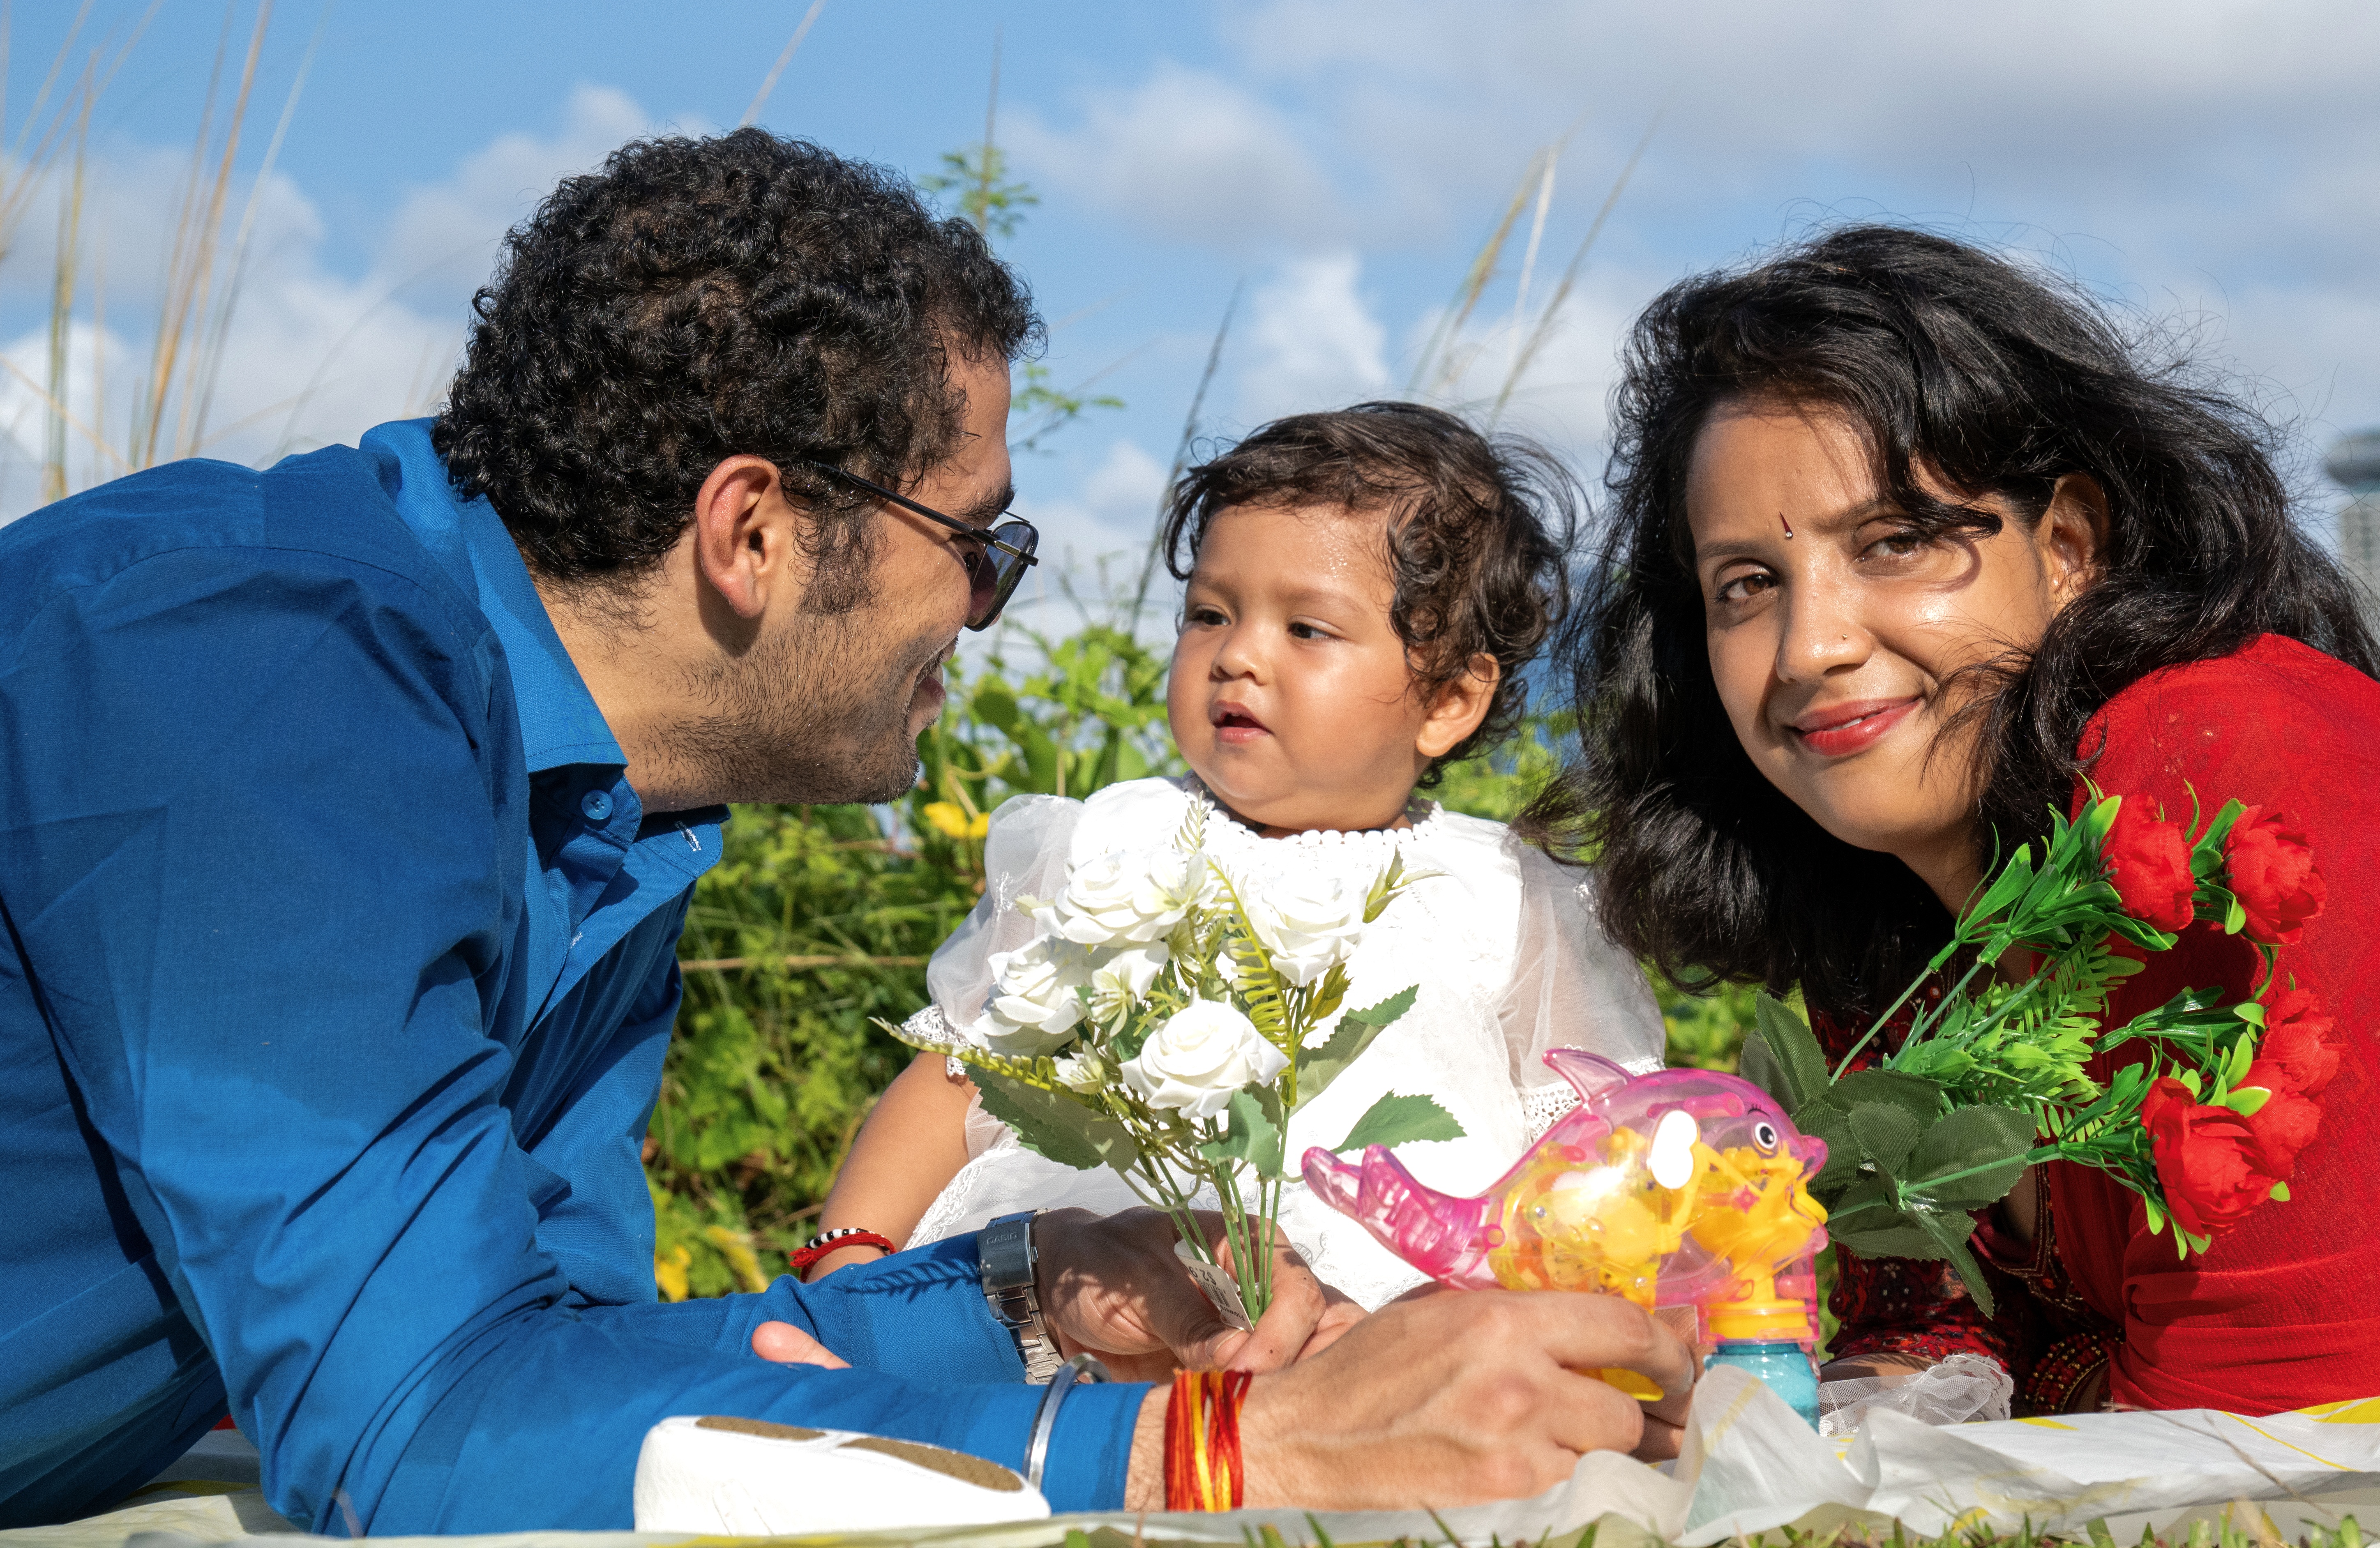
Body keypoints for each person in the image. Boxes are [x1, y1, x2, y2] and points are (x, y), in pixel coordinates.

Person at [0, 131, 1694, 1532]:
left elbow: (561, 1358)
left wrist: (1024, 1293)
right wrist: (1221, 1452)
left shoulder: (601, 810)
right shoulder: (256, 671)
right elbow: (429, 1427)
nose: (989, 605)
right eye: (977, 540)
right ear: (752, 530)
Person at [1529, 223, 2380, 1416]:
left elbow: (2295, 1430)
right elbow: (1919, 1349)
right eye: (1747, 587)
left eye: (1896, 542)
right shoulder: (1896, 927)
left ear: (2071, 546)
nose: (1810, 648)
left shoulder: (2211, 757)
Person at [805, 405, 1669, 1310]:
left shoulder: (1506, 895)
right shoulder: (1108, 839)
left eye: (1308, 630)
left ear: (1448, 698)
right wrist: (854, 1258)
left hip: (1391, 1313)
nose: (1238, 656)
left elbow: (1595, 1144)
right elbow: (960, 1074)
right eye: (1210, 613)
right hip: (1095, 1287)